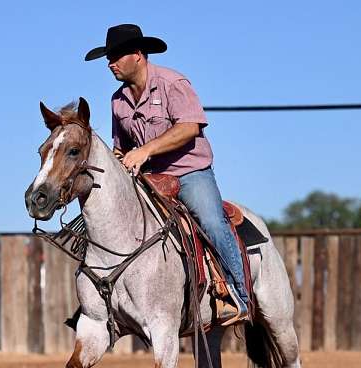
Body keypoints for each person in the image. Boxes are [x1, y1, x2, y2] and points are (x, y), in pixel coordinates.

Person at [85, 24, 248, 321]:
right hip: (149, 179)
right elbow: (121, 147)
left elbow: (189, 127)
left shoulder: (173, 83)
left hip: (189, 172)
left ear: (137, 55)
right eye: (108, 58)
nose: (110, 64)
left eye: (116, 56)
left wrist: (145, 151)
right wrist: (121, 160)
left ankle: (238, 296)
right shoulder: (117, 101)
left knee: (211, 220)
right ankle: (98, 306)